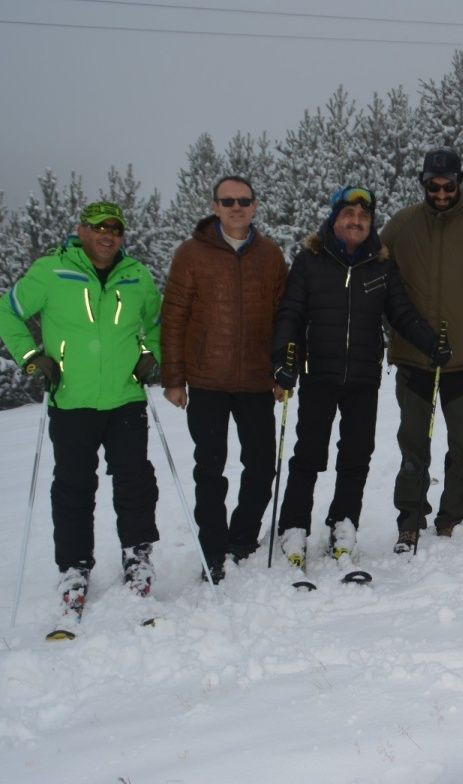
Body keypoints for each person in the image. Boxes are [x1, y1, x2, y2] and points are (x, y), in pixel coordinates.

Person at [0, 201, 162, 616]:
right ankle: (74, 565)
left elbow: (158, 323)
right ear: (81, 230)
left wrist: (151, 354)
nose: (108, 235)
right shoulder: (51, 270)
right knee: (73, 486)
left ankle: (136, 555)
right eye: (99, 227)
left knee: (135, 481)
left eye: (116, 229)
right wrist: (32, 357)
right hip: (70, 399)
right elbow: (7, 311)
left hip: (126, 398)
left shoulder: (136, 275)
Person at [270, 186, 446, 567]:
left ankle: (344, 523)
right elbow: (291, 315)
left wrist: (431, 343)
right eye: (348, 216)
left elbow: (401, 313)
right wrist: (284, 357)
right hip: (319, 375)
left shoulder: (380, 266)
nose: (355, 222)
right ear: (334, 220)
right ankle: (294, 526)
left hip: (363, 379)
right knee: (309, 455)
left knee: (356, 457)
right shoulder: (310, 261)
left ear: (371, 224)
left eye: (363, 218)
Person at [381, 147, 463, 553]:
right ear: (423, 183)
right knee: (413, 443)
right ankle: (410, 518)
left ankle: (452, 515)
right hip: (414, 356)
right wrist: (397, 331)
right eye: (433, 186)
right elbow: (381, 282)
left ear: (460, 182)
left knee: (462, 446)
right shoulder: (401, 226)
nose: (441, 193)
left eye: (449, 185)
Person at [160, 176, 288, 582]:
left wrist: (286, 370)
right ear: (214, 206)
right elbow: (174, 316)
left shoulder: (269, 255)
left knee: (261, 466)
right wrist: (173, 378)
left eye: (244, 200)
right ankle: (212, 549)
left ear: (255, 206)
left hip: (256, 381)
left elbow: (285, 318)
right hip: (207, 381)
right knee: (210, 469)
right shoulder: (192, 254)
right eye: (228, 201)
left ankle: (243, 537)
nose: (237, 207)